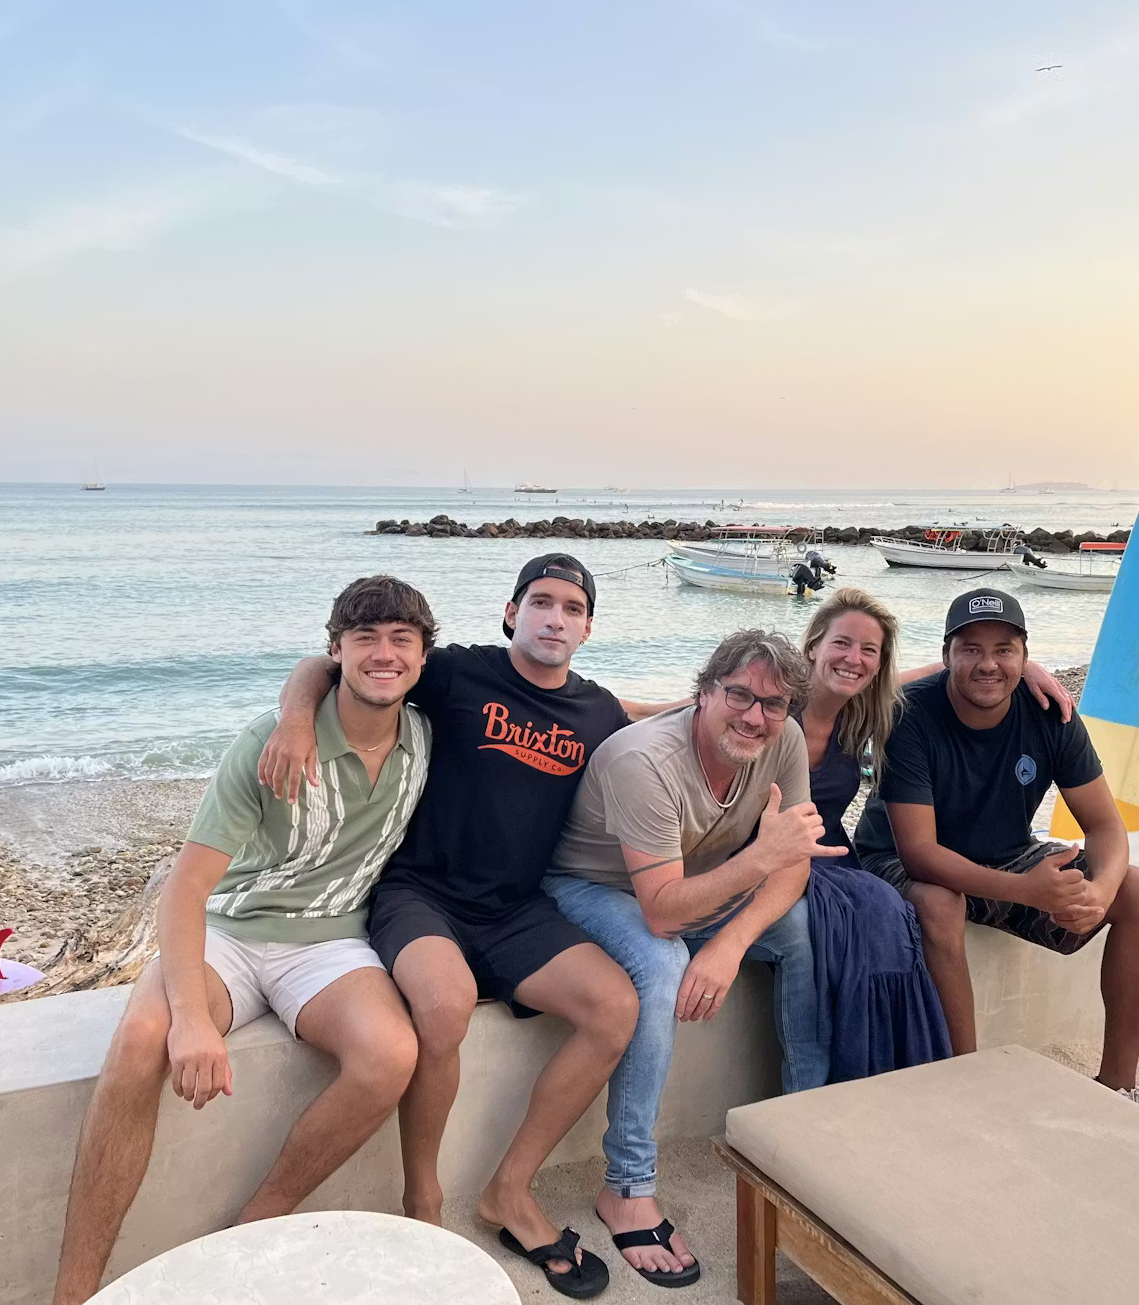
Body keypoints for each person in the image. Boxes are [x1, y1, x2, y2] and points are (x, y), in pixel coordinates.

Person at [258, 554, 641, 1299]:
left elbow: (656, 728)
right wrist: (295, 722)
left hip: (515, 908)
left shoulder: (597, 713)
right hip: (421, 893)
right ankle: (423, 1199)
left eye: (570, 607)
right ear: (511, 613)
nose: (554, 617)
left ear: (588, 627)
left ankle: (509, 1191)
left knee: (614, 1007)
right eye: (540, 602)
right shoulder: (459, 673)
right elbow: (321, 664)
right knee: (443, 1004)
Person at [52, 576, 437, 1305]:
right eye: (365, 639)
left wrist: (664, 712)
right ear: (336, 652)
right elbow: (187, 889)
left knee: (390, 1056)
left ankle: (261, 1215)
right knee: (142, 1040)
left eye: (400, 641)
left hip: (329, 941)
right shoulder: (271, 742)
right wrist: (193, 1020)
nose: (383, 655)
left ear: (422, 659)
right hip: (229, 931)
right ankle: (74, 1293)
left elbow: (555, 701)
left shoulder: (426, 733)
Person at [545, 629, 838, 1288]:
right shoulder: (644, 760)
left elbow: (792, 870)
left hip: (697, 887)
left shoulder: (781, 740)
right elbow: (663, 914)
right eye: (738, 694)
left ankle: (805, 1132)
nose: (755, 716)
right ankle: (626, 1186)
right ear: (703, 693)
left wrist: (732, 943)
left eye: (773, 703)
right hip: (595, 889)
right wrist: (760, 860)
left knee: (800, 928)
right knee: (661, 962)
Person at [854, 587, 1139, 1103]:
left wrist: (1101, 888)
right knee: (938, 903)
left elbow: (1106, 827)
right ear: (946, 656)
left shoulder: (1049, 712)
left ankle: (1119, 1084)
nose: (988, 664)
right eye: (971, 649)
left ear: (1024, 657)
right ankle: (965, 1077)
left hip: (1006, 854)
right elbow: (920, 854)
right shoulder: (909, 716)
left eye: (1004, 649)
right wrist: (1027, 890)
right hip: (896, 856)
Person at [795, 588, 952, 1081]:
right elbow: (685, 708)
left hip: (835, 855)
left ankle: (897, 1067)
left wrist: (1029, 667)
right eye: (842, 643)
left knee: (890, 916)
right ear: (813, 647)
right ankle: (863, 1070)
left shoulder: (861, 713)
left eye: (869, 651)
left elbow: (922, 676)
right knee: (877, 913)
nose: (853, 659)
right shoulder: (769, 704)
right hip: (774, 857)